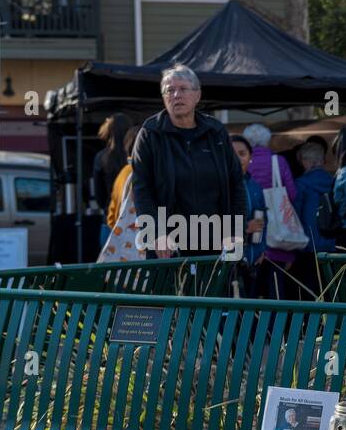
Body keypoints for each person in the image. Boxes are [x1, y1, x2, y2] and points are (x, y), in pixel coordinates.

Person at [131, 63, 246, 258]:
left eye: (183, 89)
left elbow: (236, 184)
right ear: (164, 98)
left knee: (215, 289)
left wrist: (235, 232)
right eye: (170, 90)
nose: (176, 95)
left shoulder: (216, 132)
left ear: (197, 95)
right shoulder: (150, 134)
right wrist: (157, 233)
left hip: (216, 242)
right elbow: (141, 190)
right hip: (168, 243)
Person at [243, 123, 302, 299]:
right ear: (267, 140)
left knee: (250, 287)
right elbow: (291, 193)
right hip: (278, 232)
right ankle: (277, 325)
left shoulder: (244, 162)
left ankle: (250, 325)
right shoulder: (278, 161)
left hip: (252, 231)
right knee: (276, 286)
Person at [292, 140, 336, 297]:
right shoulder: (333, 181)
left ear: (306, 162)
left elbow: (295, 215)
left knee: (309, 291)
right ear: (322, 161)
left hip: (308, 244)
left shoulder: (301, 184)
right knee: (330, 288)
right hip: (331, 243)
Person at [229, 134, 268, 296]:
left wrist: (263, 250)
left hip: (254, 261)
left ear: (250, 157)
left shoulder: (255, 186)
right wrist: (245, 228)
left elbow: (264, 221)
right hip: (230, 262)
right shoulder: (219, 186)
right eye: (232, 154)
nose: (238, 158)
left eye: (242, 154)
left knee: (250, 312)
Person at [93, 113, 131, 244]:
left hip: (110, 219)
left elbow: (99, 197)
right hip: (133, 221)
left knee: (109, 263)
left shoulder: (101, 158)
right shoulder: (137, 158)